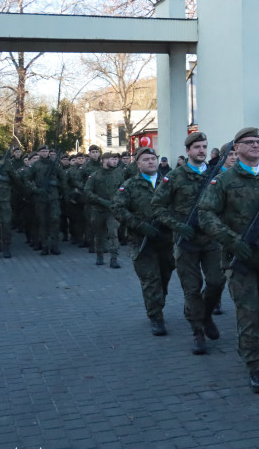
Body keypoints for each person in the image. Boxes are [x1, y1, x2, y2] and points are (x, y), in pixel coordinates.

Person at [199, 127, 259, 393]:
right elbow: (206, 214)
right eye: (249, 142)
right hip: (240, 258)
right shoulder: (223, 181)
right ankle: (254, 365)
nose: (256, 145)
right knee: (247, 312)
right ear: (236, 148)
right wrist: (230, 239)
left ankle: (252, 343)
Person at [151, 132, 224, 355]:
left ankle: (206, 313)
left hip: (212, 241)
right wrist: (176, 225)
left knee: (216, 283)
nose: (201, 150)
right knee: (192, 289)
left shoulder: (216, 175)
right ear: (188, 151)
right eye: (197, 147)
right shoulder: (174, 177)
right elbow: (157, 206)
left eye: (204, 146)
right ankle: (198, 332)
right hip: (186, 242)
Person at [112, 147, 174, 336]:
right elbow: (118, 208)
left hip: (166, 239)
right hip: (142, 241)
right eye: (146, 159)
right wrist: (140, 225)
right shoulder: (129, 185)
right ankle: (156, 316)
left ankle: (157, 303)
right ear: (138, 164)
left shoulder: (169, 182)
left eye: (153, 159)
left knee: (164, 277)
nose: (151, 162)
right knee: (150, 279)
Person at [85, 151, 125, 268]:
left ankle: (114, 258)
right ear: (104, 161)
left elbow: (123, 189)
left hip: (113, 210)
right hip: (98, 209)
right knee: (99, 234)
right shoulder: (95, 176)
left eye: (116, 159)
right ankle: (99, 255)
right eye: (112, 159)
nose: (115, 161)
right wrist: (101, 200)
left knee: (113, 234)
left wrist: (119, 201)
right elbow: (87, 191)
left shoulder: (119, 174)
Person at [27, 145, 66, 255]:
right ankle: (44, 246)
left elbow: (63, 178)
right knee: (42, 222)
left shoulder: (55, 165)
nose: (45, 153)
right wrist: (35, 189)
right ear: (38, 153)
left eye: (46, 151)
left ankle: (54, 246)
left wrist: (61, 190)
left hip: (54, 197)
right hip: (41, 197)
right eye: (42, 151)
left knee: (55, 220)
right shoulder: (35, 165)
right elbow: (27, 179)